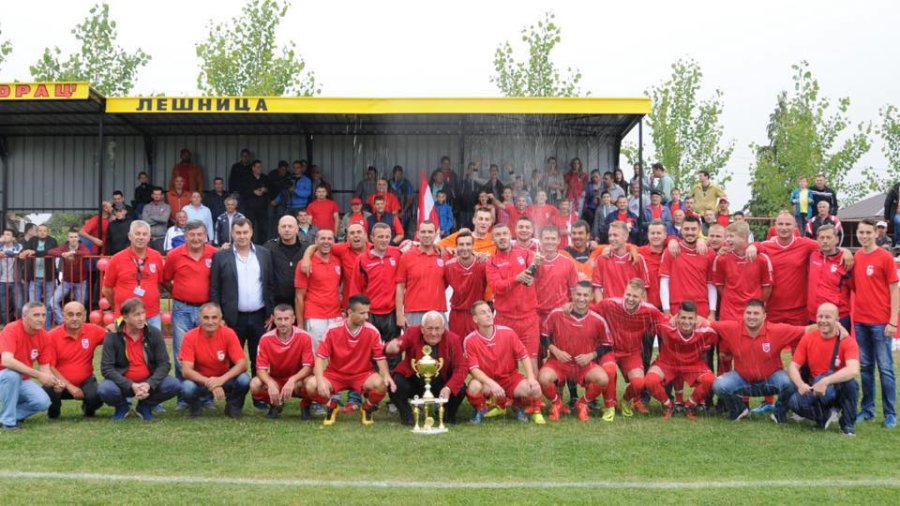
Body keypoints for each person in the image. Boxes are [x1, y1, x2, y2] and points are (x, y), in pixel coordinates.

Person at [709, 300, 810, 422]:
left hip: (771, 380)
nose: (752, 317)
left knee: (790, 382)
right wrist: (681, 318)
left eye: (756, 313)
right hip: (742, 380)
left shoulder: (777, 330)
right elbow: (706, 323)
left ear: (764, 316)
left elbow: (807, 330)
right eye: (749, 313)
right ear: (743, 314)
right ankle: (739, 410)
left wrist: (835, 326)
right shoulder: (732, 328)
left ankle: (779, 414)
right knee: (719, 385)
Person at [305, 294, 394, 426]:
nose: (366, 317)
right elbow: (320, 358)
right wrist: (319, 380)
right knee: (311, 385)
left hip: (362, 374)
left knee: (381, 385)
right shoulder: (333, 330)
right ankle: (332, 406)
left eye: (367, 313)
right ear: (350, 312)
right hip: (335, 374)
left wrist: (386, 375)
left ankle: (367, 408)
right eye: (362, 313)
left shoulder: (372, 331)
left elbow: (380, 358)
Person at [210, 218, 275, 375]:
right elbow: (215, 289)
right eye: (238, 233)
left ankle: (259, 397)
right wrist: (219, 316)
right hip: (233, 318)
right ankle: (235, 398)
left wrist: (271, 311)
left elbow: (270, 284)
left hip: (260, 316)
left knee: (259, 358)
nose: (242, 236)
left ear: (251, 232)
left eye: (245, 232)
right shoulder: (220, 256)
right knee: (233, 359)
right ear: (232, 233)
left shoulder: (264, 254)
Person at [539, 282, 612, 422]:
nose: (581, 298)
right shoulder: (557, 314)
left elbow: (607, 345)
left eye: (585, 295)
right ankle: (557, 403)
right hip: (559, 362)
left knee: (603, 379)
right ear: (572, 294)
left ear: (591, 296)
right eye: (578, 294)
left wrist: (591, 355)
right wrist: (555, 350)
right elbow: (543, 336)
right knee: (543, 378)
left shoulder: (598, 320)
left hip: (583, 364)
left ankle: (583, 403)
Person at [464, 300, 545, 424]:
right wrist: (492, 384)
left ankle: (520, 406)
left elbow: (524, 356)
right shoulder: (470, 340)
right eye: (483, 312)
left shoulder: (508, 332)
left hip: (509, 378)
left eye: (489, 311)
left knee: (534, 388)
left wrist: (531, 378)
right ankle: (481, 409)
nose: (488, 315)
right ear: (475, 319)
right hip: (487, 380)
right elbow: (474, 370)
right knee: (474, 387)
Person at [592, 279, 663, 421]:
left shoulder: (650, 311)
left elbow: (667, 322)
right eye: (628, 294)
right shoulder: (609, 304)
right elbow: (588, 311)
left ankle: (625, 401)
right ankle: (610, 406)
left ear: (642, 297)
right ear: (624, 292)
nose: (630, 299)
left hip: (632, 352)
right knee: (609, 372)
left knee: (639, 383)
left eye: (635, 296)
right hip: (610, 349)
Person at [98, 298, 179, 421]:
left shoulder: (154, 333)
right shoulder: (112, 335)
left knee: (173, 384)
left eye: (143, 313)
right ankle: (122, 407)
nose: (142, 318)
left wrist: (149, 384)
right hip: (123, 383)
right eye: (136, 315)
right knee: (105, 390)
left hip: (148, 381)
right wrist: (130, 385)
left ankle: (145, 407)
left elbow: (164, 364)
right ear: (125, 317)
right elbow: (106, 368)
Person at [851, 218, 899, 428]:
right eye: (861, 232)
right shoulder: (857, 257)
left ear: (875, 234)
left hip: (881, 323)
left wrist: (893, 321)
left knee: (886, 368)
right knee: (865, 368)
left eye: (868, 233)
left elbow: (894, 290)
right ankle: (868, 409)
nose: (864, 236)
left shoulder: (885, 258)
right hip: (861, 321)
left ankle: (890, 413)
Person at [788, 303, 859, 436]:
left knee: (851, 384)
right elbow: (793, 366)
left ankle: (848, 425)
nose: (823, 320)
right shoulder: (809, 338)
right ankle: (825, 416)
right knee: (794, 402)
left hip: (835, 387)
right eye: (820, 316)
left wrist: (826, 381)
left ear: (837, 319)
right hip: (815, 387)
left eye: (828, 317)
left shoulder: (846, 341)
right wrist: (801, 384)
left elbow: (853, 370)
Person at [385, 312, 467, 425]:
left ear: (443, 328)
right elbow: (396, 345)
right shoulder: (412, 332)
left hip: (441, 382)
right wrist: (390, 348)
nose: (434, 333)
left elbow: (461, 368)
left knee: (460, 387)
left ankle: (449, 415)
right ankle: (407, 417)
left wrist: (448, 388)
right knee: (395, 384)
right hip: (415, 380)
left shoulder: (453, 339)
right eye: (430, 328)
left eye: (438, 329)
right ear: (422, 329)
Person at [162, 220, 217, 388]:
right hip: (182, 309)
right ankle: (184, 394)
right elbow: (165, 280)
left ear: (206, 235)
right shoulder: (174, 255)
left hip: (206, 311)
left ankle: (206, 394)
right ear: (185, 236)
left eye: (200, 234)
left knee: (206, 353)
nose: (196, 238)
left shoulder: (215, 254)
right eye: (192, 235)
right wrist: (180, 292)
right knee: (181, 353)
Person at [644, 301, 718, 419]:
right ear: (677, 318)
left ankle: (689, 405)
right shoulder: (665, 326)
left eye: (690, 318)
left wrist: (704, 320)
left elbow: (718, 329)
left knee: (710, 380)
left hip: (692, 364)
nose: (686, 322)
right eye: (683, 317)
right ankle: (669, 405)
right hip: (667, 363)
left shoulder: (705, 331)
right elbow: (650, 318)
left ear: (696, 319)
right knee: (650, 381)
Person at [179, 303, 250, 418]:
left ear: (221, 318)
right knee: (187, 387)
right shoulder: (190, 337)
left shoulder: (229, 333)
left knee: (245, 379)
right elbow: (186, 371)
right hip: (200, 381)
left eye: (214, 317)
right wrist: (210, 382)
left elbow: (243, 364)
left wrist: (221, 380)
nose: (210, 322)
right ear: (199, 319)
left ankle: (233, 407)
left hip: (223, 379)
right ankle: (195, 407)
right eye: (206, 317)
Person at [486, 223, 540, 370]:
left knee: (531, 365)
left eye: (504, 234)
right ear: (493, 240)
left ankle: (533, 391)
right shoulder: (491, 262)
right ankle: (510, 392)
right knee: (506, 364)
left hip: (528, 319)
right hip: (505, 319)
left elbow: (533, 271)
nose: (502, 237)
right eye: (498, 235)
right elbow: (497, 287)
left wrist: (532, 274)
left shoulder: (526, 253)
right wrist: (518, 279)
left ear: (511, 236)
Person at [251, 304, 315, 419]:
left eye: (286, 319)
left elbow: (308, 367)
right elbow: (260, 369)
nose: (283, 323)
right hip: (277, 379)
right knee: (255, 384)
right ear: (273, 319)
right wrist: (270, 383)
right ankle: (275, 404)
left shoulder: (305, 337)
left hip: (299, 380)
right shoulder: (265, 339)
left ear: (293, 319)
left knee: (313, 384)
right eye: (279, 319)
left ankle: (306, 405)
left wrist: (293, 380)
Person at [44, 301, 106, 418]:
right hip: (59, 382)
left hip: (85, 381)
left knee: (98, 394)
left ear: (85, 315)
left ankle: (88, 409)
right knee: (48, 392)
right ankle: (53, 413)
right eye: (70, 314)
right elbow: (50, 367)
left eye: (78, 314)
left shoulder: (94, 330)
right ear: (63, 315)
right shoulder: (51, 336)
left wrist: (115, 327)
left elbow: (113, 338)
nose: (74, 318)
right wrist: (68, 386)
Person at [0, 302, 56, 430]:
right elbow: (7, 361)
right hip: (4, 377)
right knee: (12, 375)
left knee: (43, 402)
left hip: (22, 380)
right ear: (24, 317)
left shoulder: (45, 336)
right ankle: (8, 423)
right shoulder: (11, 329)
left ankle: (7, 416)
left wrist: (54, 382)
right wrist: (38, 375)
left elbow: (45, 369)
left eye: (43, 315)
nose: (41, 319)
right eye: (36, 315)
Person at [101, 221, 165, 330]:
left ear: (149, 237)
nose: (141, 237)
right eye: (137, 233)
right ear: (130, 236)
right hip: (124, 316)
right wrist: (118, 307)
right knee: (123, 346)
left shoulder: (157, 257)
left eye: (144, 234)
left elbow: (159, 284)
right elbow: (107, 289)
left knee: (153, 346)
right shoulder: (116, 259)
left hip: (151, 315)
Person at [350, 223, 402, 354]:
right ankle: (372, 374)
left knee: (393, 349)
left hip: (391, 311)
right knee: (369, 349)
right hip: (370, 312)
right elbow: (355, 287)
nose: (384, 240)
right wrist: (357, 311)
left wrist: (438, 247)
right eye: (380, 236)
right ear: (371, 238)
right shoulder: (362, 259)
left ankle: (392, 374)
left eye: (387, 236)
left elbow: (419, 246)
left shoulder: (397, 254)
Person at [712, 221, 774, 322]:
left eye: (731, 236)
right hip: (729, 313)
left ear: (744, 237)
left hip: (752, 313)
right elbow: (720, 286)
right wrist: (732, 299)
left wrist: (755, 304)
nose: (727, 240)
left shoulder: (762, 258)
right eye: (727, 236)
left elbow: (767, 288)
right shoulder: (721, 258)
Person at [294, 229, 343, 347]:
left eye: (329, 239)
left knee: (336, 356)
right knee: (316, 357)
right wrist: (300, 324)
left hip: (336, 316)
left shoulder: (338, 260)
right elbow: (299, 297)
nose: (326, 242)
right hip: (315, 316)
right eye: (322, 238)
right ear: (316, 241)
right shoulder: (305, 264)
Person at [660, 216, 716, 318]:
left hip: (701, 308)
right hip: (677, 308)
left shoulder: (709, 253)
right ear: (681, 230)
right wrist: (666, 311)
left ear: (699, 230)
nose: (690, 232)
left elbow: (711, 284)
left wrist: (712, 313)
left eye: (693, 229)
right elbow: (664, 282)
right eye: (686, 229)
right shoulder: (671, 251)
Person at [396, 221, 447, 328]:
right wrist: (399, 314)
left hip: (438, 311)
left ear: (435, 234)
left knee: (441, 345)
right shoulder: (407, 257)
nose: (427, 235)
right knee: (414, 345)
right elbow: (400, 287)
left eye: (430, 232)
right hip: (413, 312)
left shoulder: (443, 256)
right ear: (418, 234)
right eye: (423, 232)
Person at [442, 229, 488, 338]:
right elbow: (440, 288)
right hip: (457, 314)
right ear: (456, 247)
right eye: (461, 244)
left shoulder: (483, 264)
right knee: (457, 348)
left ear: (473, 246)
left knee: (478, 348)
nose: (465, 248)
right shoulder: (449, 266)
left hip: (477, 313)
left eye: (468, 244)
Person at [807, 225, 852, 329]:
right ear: (817, 240)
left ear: (837, 239)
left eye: (829, 237)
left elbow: (854, 288)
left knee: (838, 346)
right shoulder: (812, 255)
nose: (825, 241)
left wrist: (846, 251)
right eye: (822, 238)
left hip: (838, 318)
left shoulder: (846, 261)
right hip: (815, 317)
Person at [593, 222, 649, 302]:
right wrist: (602, 310)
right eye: (610, 235)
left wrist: (642, 312)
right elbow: (597, 288)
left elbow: (644, 290)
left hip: (632, 310)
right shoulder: (602, 259)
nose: (612, 238)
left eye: (615, 235)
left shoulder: (637, 259)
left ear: (625, 237)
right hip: (610, 310)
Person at [534, 226, 579, 324]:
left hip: (560, 313)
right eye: (547, 238)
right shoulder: (532, 261)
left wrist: (572, 304)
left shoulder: (568, 263)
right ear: (541, 240)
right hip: (536, 314)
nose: (550, 241)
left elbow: (575, 289)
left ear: (558, 240)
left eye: (553, 239)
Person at [47, 229, 91, 326]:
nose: (73, 239)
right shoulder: (64, 247)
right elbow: (50, 251)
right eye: (71, 237)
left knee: (80, 306)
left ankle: (79, 326)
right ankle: (63, 322)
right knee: (53, 302)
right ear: (68, 238)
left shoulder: (82, 246)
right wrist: (62, 254)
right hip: (66, 282)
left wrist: (73, 253)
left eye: (75, 237)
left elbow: (87, 253)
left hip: (80, 282)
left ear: (78, 238)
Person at [19, 224, 58, 313]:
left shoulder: (52, 240)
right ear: (37, 232)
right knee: (33, 304)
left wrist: (34, 252)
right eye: (40, 230)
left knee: (49, 304)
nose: (42, 232)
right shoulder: (33, 240)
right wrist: (25, 252)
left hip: (49, 277)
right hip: (34, 277)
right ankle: (35, 326)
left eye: (44, 231)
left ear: (47, 232)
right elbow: (25, 249)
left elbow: (48, 252)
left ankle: (47, 326)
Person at [239, 160, 270, 244]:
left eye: (260, 167)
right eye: (257, 167)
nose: (259, 168)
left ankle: (263, 245)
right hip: (250, 206)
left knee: (263, 227)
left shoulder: (265, 178)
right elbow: (242, 191)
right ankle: (249, 244)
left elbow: (271, 189)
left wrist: (265, 190)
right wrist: (253, 192)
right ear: (253, 168)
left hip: (262, 206)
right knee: (249, 226)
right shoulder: (246, 178)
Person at [0, 229, 23, 324]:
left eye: (8, 234)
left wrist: (4, 254)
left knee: (19, 306)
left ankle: (18, 326)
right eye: (4, 234)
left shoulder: (18, 246)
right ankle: (6, 327)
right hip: (1, 281)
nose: (5, 236)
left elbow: (17, 253)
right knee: (4, 308)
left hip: (15, 281)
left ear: (13, 238)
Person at [142, 187, 171, 252]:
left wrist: (151, 216)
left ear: (162, 196)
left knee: (161, 259)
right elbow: (144, 221)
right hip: (148, 239)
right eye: (155, 194)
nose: (157, 196)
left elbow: (164, 219)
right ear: (152, 195)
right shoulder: (147, 207)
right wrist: (159, 219)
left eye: (158, 194)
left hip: (161, 239)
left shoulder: (166, 207)